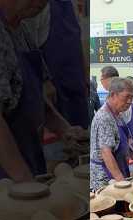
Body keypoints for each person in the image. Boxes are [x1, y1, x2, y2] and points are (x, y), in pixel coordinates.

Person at [0, 0, 79, 209]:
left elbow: (36, 95)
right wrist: (28, 185)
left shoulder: (20, 26)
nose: (42, 4)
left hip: (21, 150)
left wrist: (66, 130)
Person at [24, 0, 89, 128]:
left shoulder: (72, 4)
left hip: (76, 80)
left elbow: (78, 41)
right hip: (54, 84)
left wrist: (85, 73)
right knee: (62, 133)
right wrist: (44, 82)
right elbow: (30, 48)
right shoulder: (39, 6)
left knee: (82, 131)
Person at [90, 77, 133, 191]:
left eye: (132, 97)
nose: (129, 101)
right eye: (126, 97)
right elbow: (106, 153)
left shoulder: (118, 114)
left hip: (119, 167)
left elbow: (123, 142)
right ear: (113, 95)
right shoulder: (104, 117)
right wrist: (120, 180)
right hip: (105, 178)